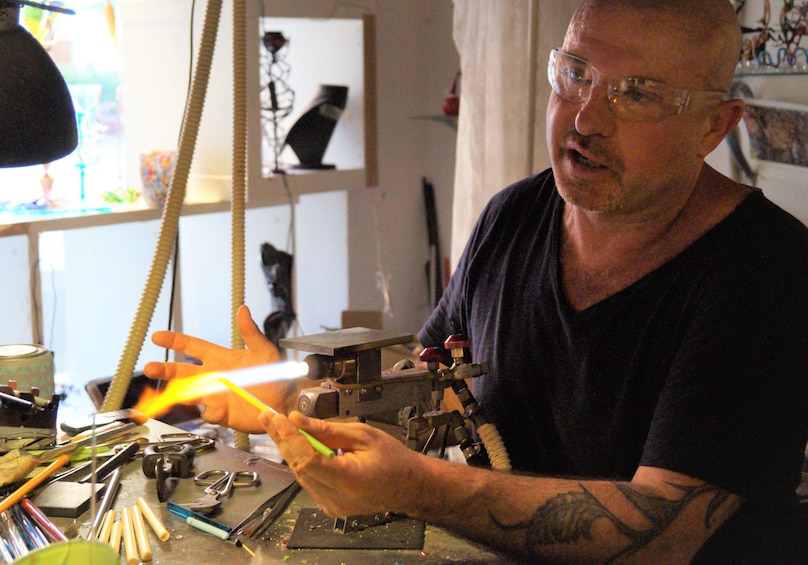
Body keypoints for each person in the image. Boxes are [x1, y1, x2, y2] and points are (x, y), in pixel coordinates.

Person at [144, 0, 808, 562]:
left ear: (712, 128)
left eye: (636, 93)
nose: (585, 118)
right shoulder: (513, 216)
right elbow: (436, 392)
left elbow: (662, 531)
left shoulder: (766, 272)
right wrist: (287, 393)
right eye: (575, 73)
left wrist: (421, 487)